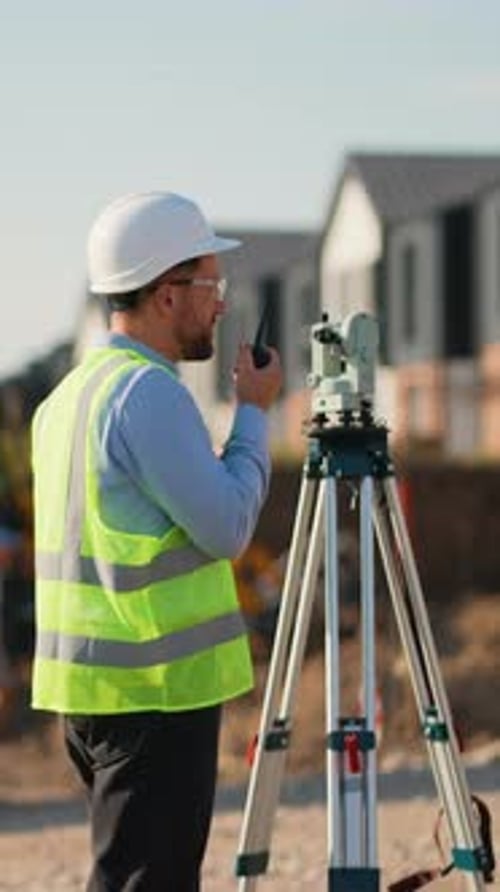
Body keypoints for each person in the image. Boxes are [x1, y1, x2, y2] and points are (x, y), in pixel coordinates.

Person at [30, 191, 283, 891]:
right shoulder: (148, 395)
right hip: (153, 696)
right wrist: (253, 414)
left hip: (92, 694)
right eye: (211, 287)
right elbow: (227, 526)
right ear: (168, 293)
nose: (220, 306)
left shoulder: (65, 400)